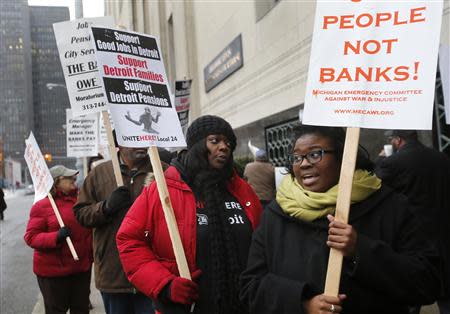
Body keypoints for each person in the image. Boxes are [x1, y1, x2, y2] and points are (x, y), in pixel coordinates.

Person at [240, 125, 441, 314]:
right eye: (296, 157)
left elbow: (427, 283)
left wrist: (360, 250)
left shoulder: (390, 206)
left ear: (343, 156)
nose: (304, 163)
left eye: (315, 154)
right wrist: (302, 303)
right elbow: (251, 288)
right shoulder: (276, 214)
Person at [116, 115, 263, 314]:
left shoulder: (242, 190)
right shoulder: (163, 190)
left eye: (228, 142)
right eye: (215, 140)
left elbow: (264, 243)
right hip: (189, 307)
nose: (224, 147)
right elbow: (129, 241)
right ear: (196, 145)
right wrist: (164, 284)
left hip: (245, 305)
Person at [73, 132, 155, 314]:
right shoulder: (99, 174)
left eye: (144, 137)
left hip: (153, 271)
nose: (140, 142)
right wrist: (106, 208)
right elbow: (80, 214)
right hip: (113, 273)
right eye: (133, 137)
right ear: (119, 143)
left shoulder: (162, 170)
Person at [376, 130, 450, 314]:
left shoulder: (393, 162)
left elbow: (374, 183)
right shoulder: (441, 158)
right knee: (447, 292)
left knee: (412, 295)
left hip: (416, 238)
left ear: (398, 140)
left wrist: (380, 159)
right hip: (444, 231)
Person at [24, 165, 92, 314]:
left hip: (80, 269)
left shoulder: (80, 201)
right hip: (53, 273)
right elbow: (31, 237)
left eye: (74, 177)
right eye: (68, 178)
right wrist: (56, 237)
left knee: (81, 309)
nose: (73, 180)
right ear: (56, 182)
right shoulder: (42, 206)